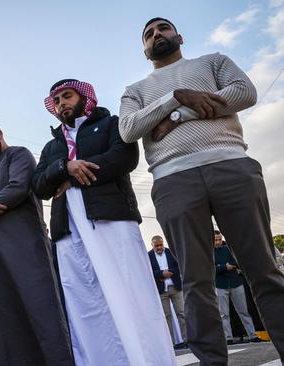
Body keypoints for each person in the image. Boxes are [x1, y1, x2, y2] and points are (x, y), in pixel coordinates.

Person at [119, 17, 284, 364]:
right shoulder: (135, 89)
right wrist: (175, 97)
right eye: (148, 34)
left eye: (162, 29)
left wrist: (178, 116)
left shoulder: (213, 62)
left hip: (231, 166)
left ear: (178, 35)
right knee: (196, 282)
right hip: (173, 180)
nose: (156, 35)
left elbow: (244, 92)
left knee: (264, 270)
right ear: (144, 49)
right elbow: (129, 128)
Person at [33, 78, 175, 365]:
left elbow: (124, 158)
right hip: (67, 232)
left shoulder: (111, 124)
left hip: (111, 219)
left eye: (67, 96)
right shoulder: (52, 147)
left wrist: (69, 176)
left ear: (85, 98)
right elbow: (38, 185)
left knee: (130, 295)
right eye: (57, 101)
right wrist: (63, 166)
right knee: (85, 304)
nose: (62, 104)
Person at [0, 116, 73, 365]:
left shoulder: (19, 155)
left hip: (27, 249)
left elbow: (17, 188)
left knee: (43, 313)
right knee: (6, 320)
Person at [213, 231, 260, 344]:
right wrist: (225, 266)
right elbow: (210, 269)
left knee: (243, 311)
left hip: (236, 283)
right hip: (220, 285)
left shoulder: (228, 249)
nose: (218, 242)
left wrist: (221, 267)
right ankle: (228, 337)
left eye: (219, 239)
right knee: (224, 314)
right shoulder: (208, 253)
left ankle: (252, 335)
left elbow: (236, 262)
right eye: (215, 240)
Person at [148, 235, 187, 347]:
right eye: (157, 246)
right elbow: (148, 271)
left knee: (182, 313)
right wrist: (161, 274)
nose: (160, 247)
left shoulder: (171, 252)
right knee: (166, 316)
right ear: (152, 245)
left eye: (161, 245)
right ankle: (171, 343)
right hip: (161, 290)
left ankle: (187, 340)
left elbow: (179, 265)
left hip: (175, 287)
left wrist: (168, 272)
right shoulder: (148, 256)